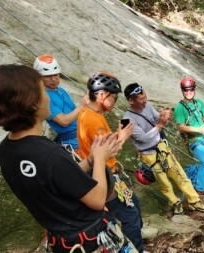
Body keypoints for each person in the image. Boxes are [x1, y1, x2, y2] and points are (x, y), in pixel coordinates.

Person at [0, 64, 131, 252]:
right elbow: (97, 199)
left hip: (60, 241)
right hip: (91, 239)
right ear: (33, 103)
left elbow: (60, 179)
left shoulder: (6, 151)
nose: (47, 97)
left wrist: (91, 159)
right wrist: (100, 161)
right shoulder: (51, 153)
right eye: (43, 91)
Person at [76, 72, 146, 252]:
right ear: (101, 96)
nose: (115, 102)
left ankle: (132, 240)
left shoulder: (90, 113)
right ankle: (134, 248)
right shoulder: (93, 120)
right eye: (113, 97)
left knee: (134, 205)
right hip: (105, 176)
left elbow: (101, 142)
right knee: (129, 216)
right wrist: (122, 137)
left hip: (107, 174)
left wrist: (116, 133)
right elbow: (105, 152)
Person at [123, 83, 204, 214]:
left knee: (180, 175)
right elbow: (143, 138)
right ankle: (175, 203)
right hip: (148, 155)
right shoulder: (126, 120)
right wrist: (160, 125)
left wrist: (163, 116)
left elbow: (156, 118)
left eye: (145, 97)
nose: (145, 101)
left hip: (162, 148)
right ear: (131, 101)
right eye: (141, 99)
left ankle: (194, 201)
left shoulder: (147, 106)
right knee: (164, 183)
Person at [174, 77, 204, 193]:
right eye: (186, 90)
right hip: (194, 140)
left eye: (191, 90)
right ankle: (200, 187)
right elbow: (180, 126)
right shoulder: (179, 108)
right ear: (182, 91)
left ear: (194, 90)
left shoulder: (199, 103)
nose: (189, 92)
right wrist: (199, 130)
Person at [33, 55, 88, 151]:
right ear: (39, 78)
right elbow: (63, 122)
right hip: (73, 144)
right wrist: (82, 105)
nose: (53, 79)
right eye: (48, 76)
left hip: (84, 137)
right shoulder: (43, 98)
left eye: (56, 75)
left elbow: (76, 114)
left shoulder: (62, 90)